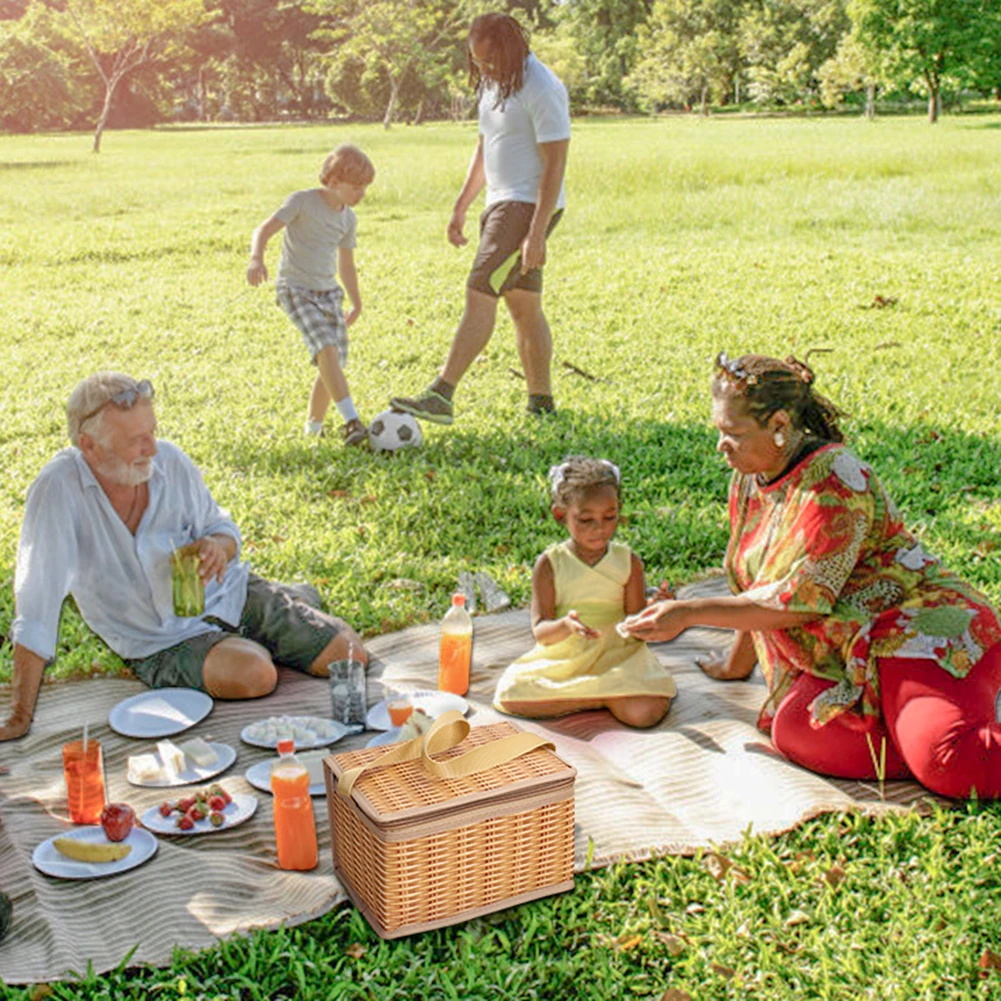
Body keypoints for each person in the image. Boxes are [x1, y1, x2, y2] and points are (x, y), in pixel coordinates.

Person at [622, 353, 1001, 799]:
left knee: (951, 764)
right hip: (850, 649)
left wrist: (689, 613)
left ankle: (942, 737)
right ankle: (929, 732)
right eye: (719, 431)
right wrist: (733, 665)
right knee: (795, 730)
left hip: (917, 630)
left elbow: (799, 601)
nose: (721, 446)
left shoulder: (836, 479)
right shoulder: (752, 477)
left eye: (734, 434)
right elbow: (760, 583)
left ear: (780, 424)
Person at [0, 372, 367, 742]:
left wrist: (216, 547)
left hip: (228, 594)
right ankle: (282, 616)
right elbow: (37, 606)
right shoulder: (58, 490)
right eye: (135, 441)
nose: (152, 450)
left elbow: (223, 530)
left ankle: (285, 607)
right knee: (257, 674)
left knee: (350, 656)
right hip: (157, 639)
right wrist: (19, 714)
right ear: (89, 446)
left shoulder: (170, 462)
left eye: (152, 433)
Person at [390, 12, 570, 425]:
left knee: (479, 288)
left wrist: (537, 232)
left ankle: (442, 393)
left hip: (526, 206)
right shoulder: (493, 83)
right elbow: (485, 146)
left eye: (490, 61)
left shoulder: (542, 87)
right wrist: (462, 204)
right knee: (524, 306)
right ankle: (541, 404)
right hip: (501, 203)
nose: (484, 69)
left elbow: (556, 162)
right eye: (478, 61)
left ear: (510, 49)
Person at [494, 457, 676, 727]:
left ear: (619, 510)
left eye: (609, 517)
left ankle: (595, 693)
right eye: (585, 519)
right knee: (510, 694)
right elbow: (541, 632)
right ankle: (599, 697)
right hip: (566, 656)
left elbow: (636, 622)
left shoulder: (628, 561)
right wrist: (566, 625)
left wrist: (656, 608)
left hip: (618, 653)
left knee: (644, 713)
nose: (599, 528)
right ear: (560, 514)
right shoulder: (550, 564)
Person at [247, 143, 374, 445]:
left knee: (331, 365)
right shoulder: (302, 202)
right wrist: (256, 258)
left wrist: (356, 301)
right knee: (326, 348)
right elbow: (264, 229)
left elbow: (346, 264)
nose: (362, 194)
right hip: (294, 288)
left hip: (328, 293)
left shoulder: (348, 219)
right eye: (356, 187)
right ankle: (352, 421)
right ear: (333, 181)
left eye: (365, 188)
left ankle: (312, 432)